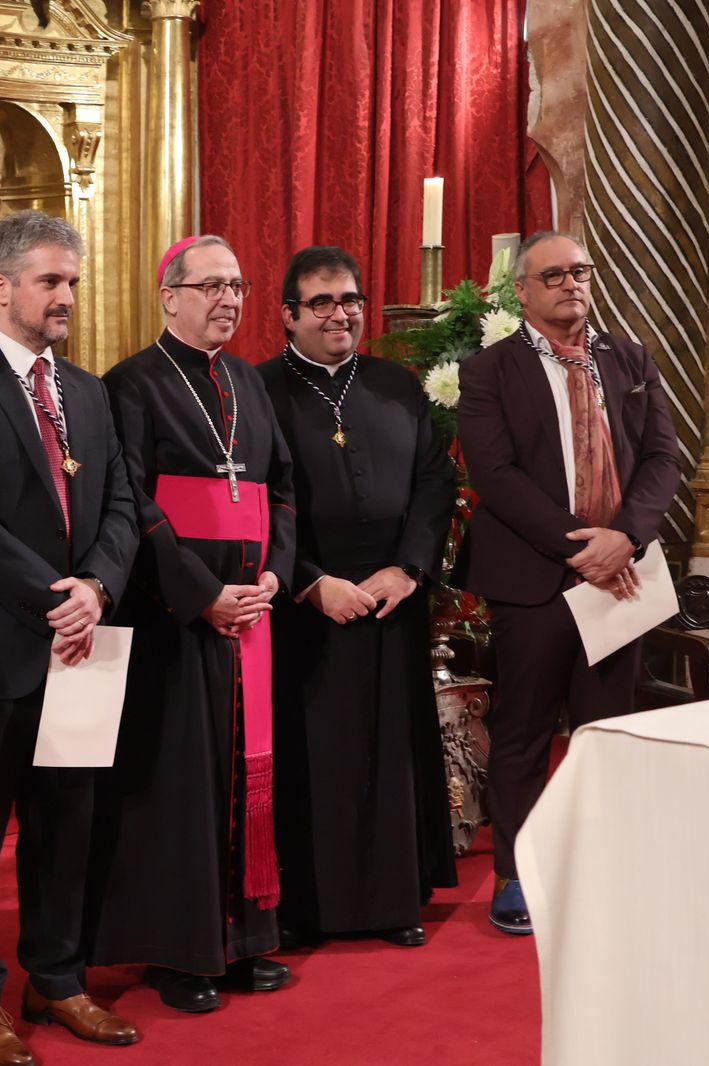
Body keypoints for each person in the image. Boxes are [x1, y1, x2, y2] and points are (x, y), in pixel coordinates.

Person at [0, 210, 138, 1066]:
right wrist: (58, 596)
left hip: (80, 641)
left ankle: (56, 975)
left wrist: (99, 586)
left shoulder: (87, 390)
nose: (66, 296)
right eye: (50, 281)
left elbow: (119, 500)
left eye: (72, 281)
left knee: (65, 823)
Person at [86, 235, 297, 1015]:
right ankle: (180, 951)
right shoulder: (130, 384)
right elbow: (132, 504)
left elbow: (280, 488)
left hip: (253, 612)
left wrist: (276, 572)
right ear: (168, 295)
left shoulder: (247, 379)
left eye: (237, 285)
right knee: (182, 784)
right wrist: (203, 592)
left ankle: (242, 939)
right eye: (211, 286)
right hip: (177, 619)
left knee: (248, 773)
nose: (229, 301)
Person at [455, 230, 682, 935]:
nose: (570, 285)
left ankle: (601, 863)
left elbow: (663, 459)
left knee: (606, 730)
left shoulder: (629, 358)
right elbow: (494, 477)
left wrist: (626, 538)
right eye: (552, 275)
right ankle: (517, 875)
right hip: (536, 579)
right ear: (521, 292)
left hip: (620, 577)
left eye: (580, 271)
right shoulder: (489, 370)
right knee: (523, 733)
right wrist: (579, 547)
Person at [256, 245, 457, 948]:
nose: (340, 314)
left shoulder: (399, 386)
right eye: (322, 303)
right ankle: (307, 908)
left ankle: (394, 899)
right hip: (307, 609)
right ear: (288, 315)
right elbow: (258, 505)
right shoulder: (260, 392)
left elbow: (436, 483)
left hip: (393, 602)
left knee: (392, 753)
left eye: (350, 300)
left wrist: (409, 568)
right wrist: (310, 582)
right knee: (314, 759)